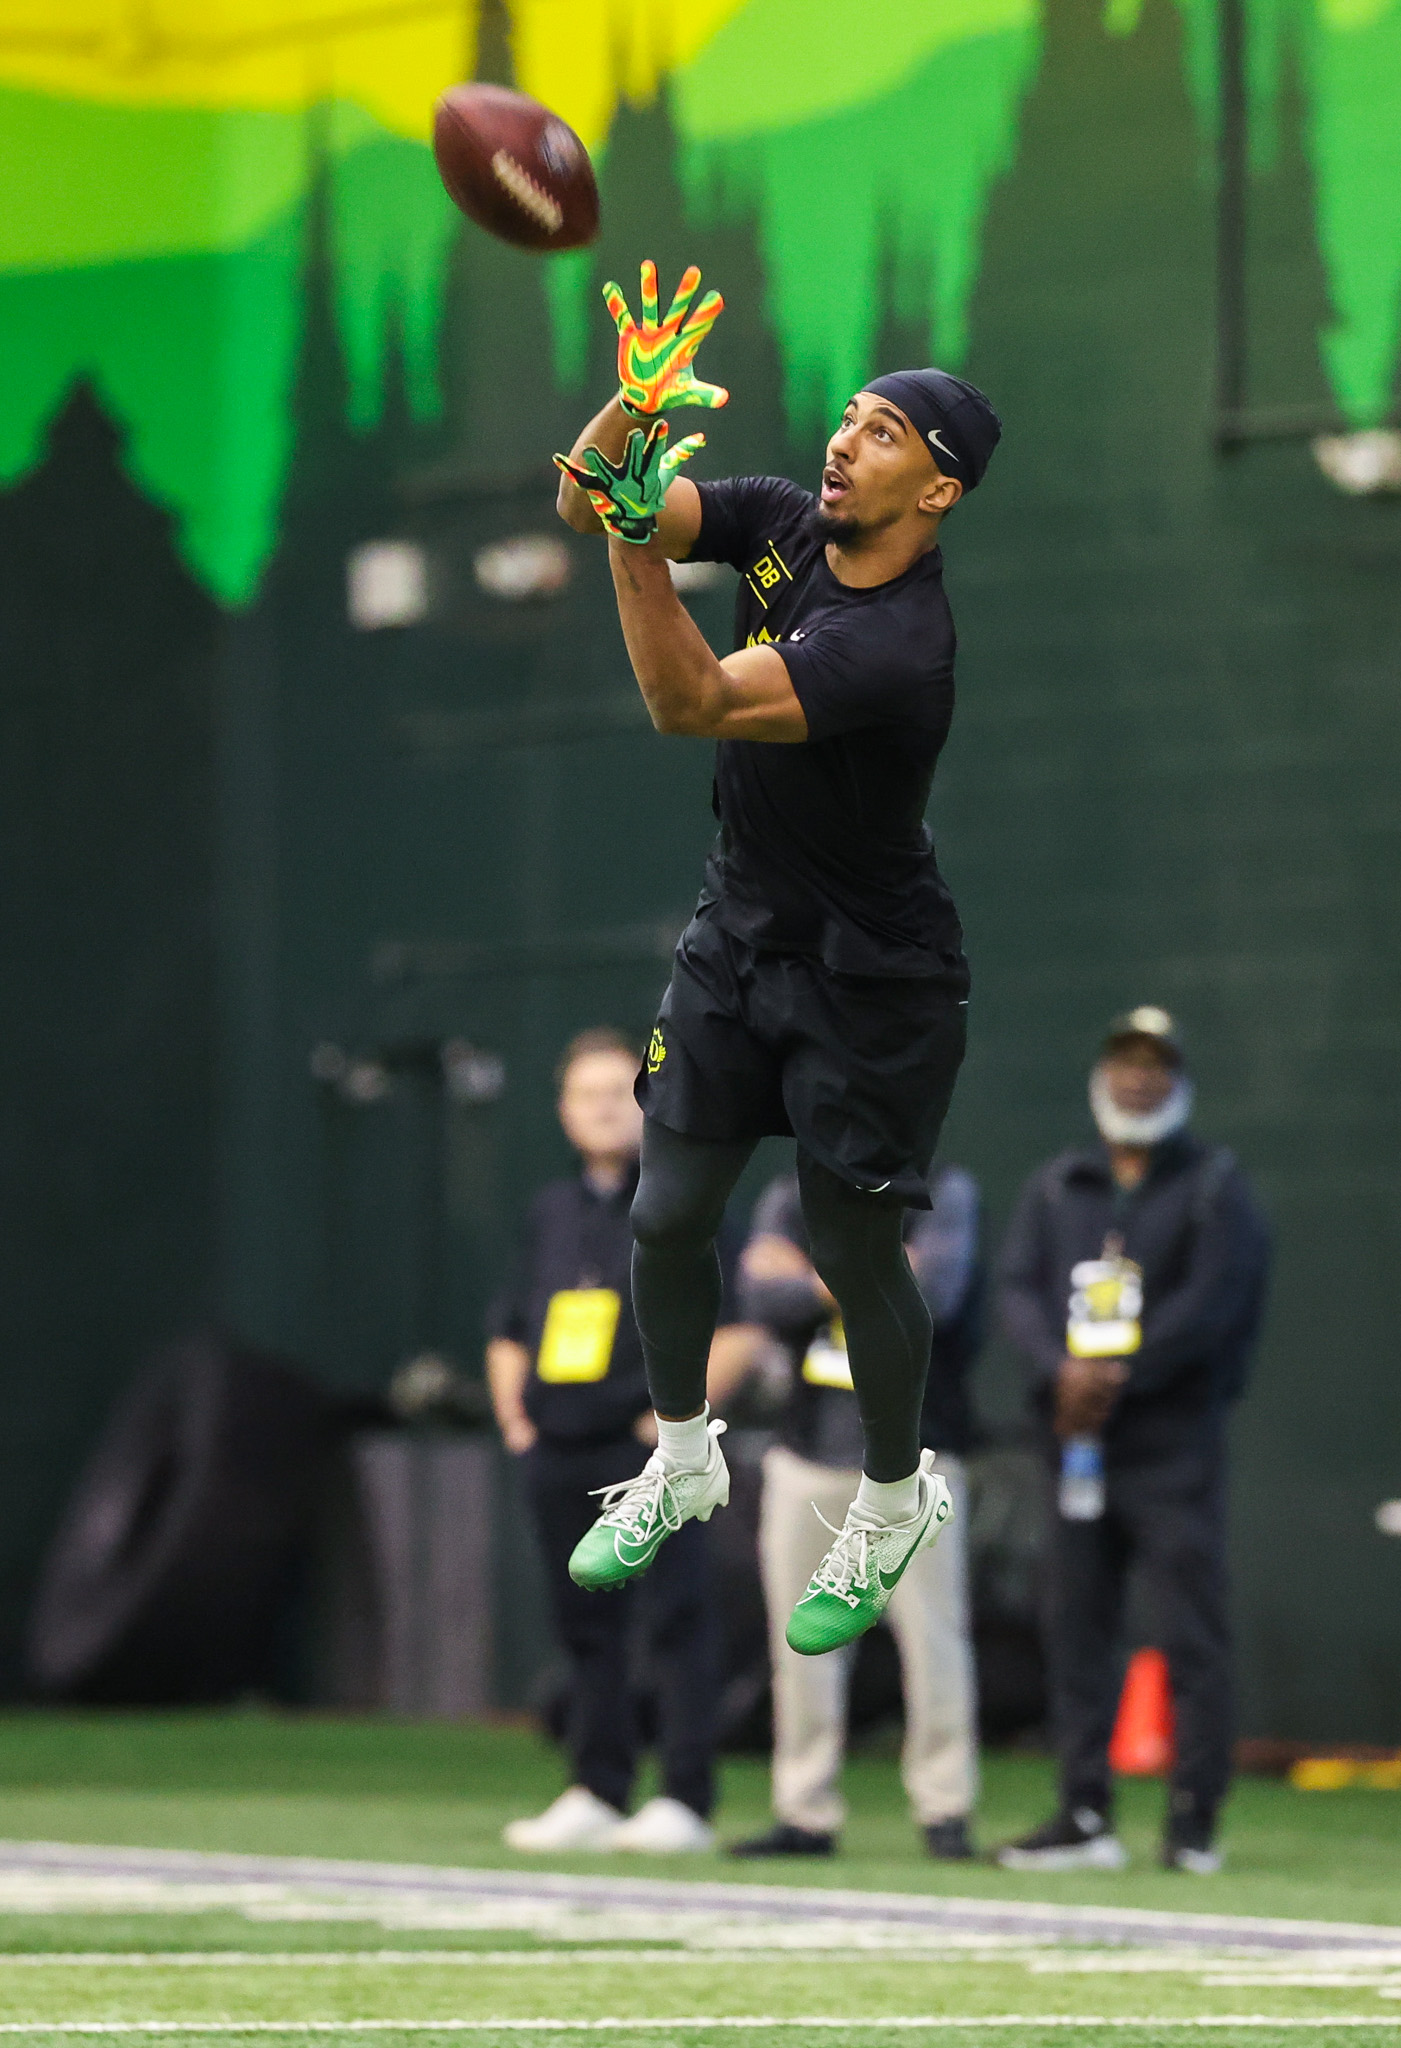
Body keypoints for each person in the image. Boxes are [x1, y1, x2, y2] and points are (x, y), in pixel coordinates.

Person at [550, 261, 1002, 1655]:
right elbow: (586, 500)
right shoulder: (781, 521)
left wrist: (633, 542)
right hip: (737, 931)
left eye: (883, 433)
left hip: (873, 977)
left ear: (936, 491)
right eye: (849, 415)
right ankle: (685, 1455)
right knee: (664, 1212)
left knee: (849, 1248)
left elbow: (687, 697)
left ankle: (893, 1495)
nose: (844, 440)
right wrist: (631, 412)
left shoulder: (899, 646)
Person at [995, 1008, 1270, 1875]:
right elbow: (1018, 1289)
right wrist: (1062, 1372)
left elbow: (1214, 1302)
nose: (1138, 1081)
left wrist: (1123, 1372)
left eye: (1155, 1067)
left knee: (1190, 1631)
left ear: (1178, 1081)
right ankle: (1083, 1813)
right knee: (1076, 1627)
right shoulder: (1059, 1185)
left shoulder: (1214, 1185)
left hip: (1171, 1445)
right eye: (1124, 1064)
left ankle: (1193, 1821)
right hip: (1076, 1442)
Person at [486, 1027, 763, 1854]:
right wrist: (517, 1418)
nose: (603, 1109)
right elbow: (510, 1325)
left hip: (651, 1453)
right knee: (584, 1625)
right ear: (564, 1111)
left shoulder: (691, 1197)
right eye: (586, 1094)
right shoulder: (551, 1210)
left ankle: (684, 1798)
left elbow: (742, 1329)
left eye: (620, 1092)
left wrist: (673, 1424)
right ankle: (597, 1787)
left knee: (675, 1618)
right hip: (560, 1446)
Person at [730, 1162, 985, 1862]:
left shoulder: (942, 1187)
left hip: (915, 1458)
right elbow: (759, 1296)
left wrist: (813, 1272)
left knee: (933, 1642)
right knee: (803, 1644)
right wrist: (874, 1267)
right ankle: (804, 1810)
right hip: (807, 1453)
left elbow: (934, 1292)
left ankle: (945, 1808)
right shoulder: (792, 1191)